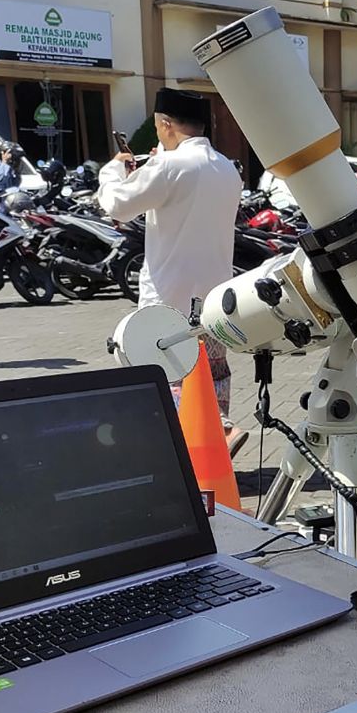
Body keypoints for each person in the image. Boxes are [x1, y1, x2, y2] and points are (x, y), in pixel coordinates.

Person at [97, 88, 247, 455]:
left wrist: (115, 168)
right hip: (213, 297)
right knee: (213, 373)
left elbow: (117, 204)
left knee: (169, 375)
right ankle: (216, 436)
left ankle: (194, 448)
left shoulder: (168, 166)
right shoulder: (226, 168)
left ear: (165, 124)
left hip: (169, 296)